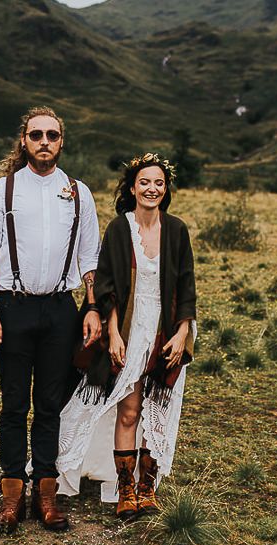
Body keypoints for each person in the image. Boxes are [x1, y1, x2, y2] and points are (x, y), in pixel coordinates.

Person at [0, 107, 101, 534]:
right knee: (14, 405)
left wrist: (94, 306)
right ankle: (12, 499)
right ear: (24, 141)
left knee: (51, 404)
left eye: (52, 135)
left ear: (62, 142)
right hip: (12, 308)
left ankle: (46, 496)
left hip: (62, 310)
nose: (44, 141)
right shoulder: (1, 192)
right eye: (36, 134)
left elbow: (90, 258)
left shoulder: (79, 193)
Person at [56, 153, 196, 520]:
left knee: (159, 410)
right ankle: (126, 489)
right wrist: (114, 333)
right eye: (145, 182)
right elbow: (108, 287)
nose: (152, 189)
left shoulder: (177, 230)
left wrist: (183, 332)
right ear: (132, 187)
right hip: (130, 330)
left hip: (167, 329)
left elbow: (186, 286)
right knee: (130, 410)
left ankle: (148, 487)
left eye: (159, 183)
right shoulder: (121, 228)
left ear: (166, 190)